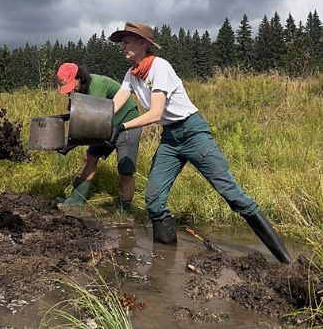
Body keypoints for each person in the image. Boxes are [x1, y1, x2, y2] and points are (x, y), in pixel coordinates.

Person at [107, 22, 292, 263]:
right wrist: (92, 120)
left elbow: (155, 114)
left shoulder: (160, 67)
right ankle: (164, 263)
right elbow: (113, 106)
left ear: (143, 44)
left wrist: (122, 127)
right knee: (153, 201)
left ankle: (285, 259)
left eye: (127, 41)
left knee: (232, 194)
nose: (123, 46)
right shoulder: (131, 75)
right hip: (170, 140)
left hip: (193, 133)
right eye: (121, 42)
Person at [55, 63, 142, 211]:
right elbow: (80, 115)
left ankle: (124, 210)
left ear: (80, 78)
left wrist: (69, 145)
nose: (71, 91)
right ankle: (76, 200)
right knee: (90, 158)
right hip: (105, 125)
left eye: (72, 86)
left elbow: (93, 120)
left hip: (126, 123)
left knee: (125, 169)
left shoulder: (96, 86)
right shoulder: (78, 91)